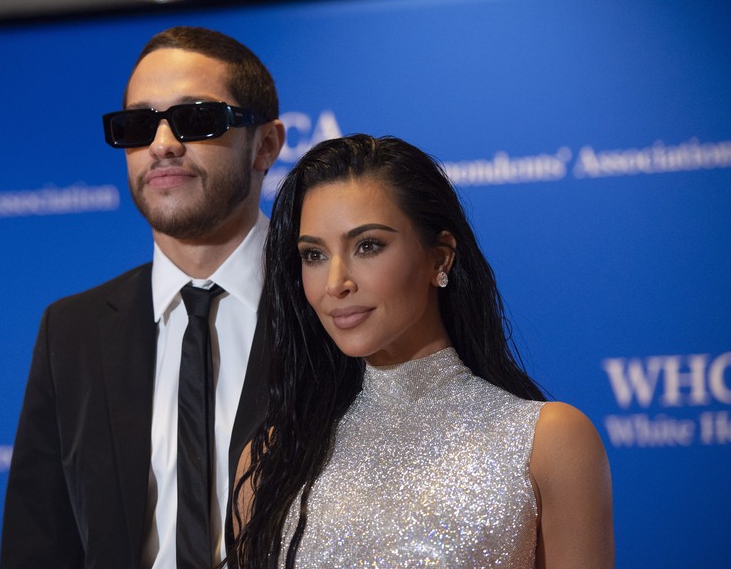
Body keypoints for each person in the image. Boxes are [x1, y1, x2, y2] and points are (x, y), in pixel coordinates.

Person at [231, 135, 614, 568]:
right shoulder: (274, 457)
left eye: (368, 246)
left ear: (440, 259)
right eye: (314, 254)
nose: (335, 283)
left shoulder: (547, 443)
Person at [0, 26, 285, 568]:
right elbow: (38, 545)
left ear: (265, 144)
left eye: (196, 118)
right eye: (136, 126)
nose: (162, 144)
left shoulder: (332, 309)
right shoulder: (72, 331)